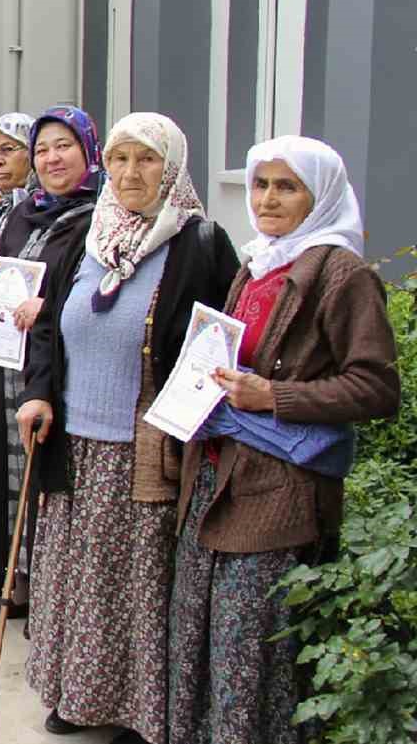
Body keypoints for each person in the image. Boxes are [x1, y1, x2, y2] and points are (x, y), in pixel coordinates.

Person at [15, 113, 241, 744]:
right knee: (70, 577)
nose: (130, 173)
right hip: (72, 441)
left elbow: (218, 344)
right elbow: (48, 328)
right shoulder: (88, 233)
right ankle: (74, 693)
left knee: (135, 583)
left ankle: (136, 710)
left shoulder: (199, 242)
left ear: (170, 166)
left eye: (146, 160)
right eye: (119, 160)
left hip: (143, 447)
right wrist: (37, 396)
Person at [167, 136, 399, 744]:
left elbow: (376, 388)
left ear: (319, 196)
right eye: (261, 185)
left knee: (248, 652)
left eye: (287, 187)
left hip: (277, 490)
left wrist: (275, 396)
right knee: (197, 636)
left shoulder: (341, 274)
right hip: (216, 475)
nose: (268, 199)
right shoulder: (259, 262)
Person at [0, 107, 98, 617]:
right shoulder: (24, 214)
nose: (52, 158)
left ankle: (52, 598)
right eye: (42, 149)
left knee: (50, 491)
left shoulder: (101, 218)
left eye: (63, 146)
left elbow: (96, 296)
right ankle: (18, 583)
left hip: (60, 377)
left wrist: (52, 305)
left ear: (87, 149)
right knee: (11, 487)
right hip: (7, 371)